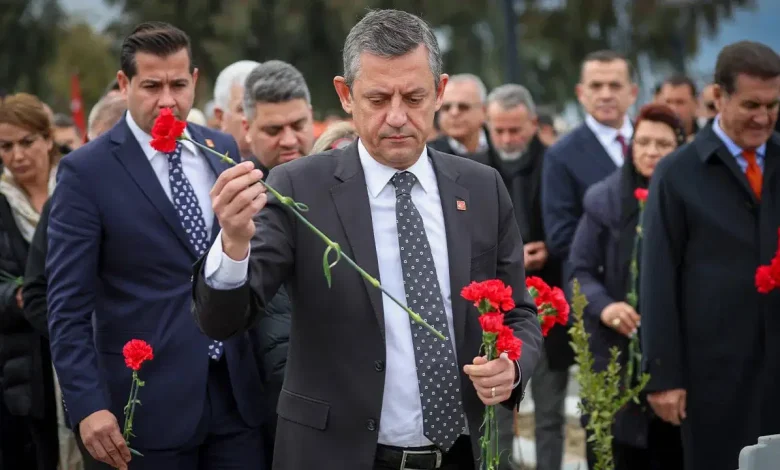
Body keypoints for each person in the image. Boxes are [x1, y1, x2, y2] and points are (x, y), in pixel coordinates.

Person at [191, 9, 543, 469]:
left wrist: (511, 367)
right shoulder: (299, 187)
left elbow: (518, 312)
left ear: (439, 91)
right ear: (346, 95)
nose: (396, 117)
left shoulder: (481, 188)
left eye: (414, 97)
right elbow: (224, 319)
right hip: (337, 455)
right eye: (377, 99)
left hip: (461, 454)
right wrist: (234, 244)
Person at [46, 22, 266, 470]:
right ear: (124, 84)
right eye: (152, 86)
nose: (167, 100)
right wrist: (86, 404)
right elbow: (67, 306)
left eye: (178, 85)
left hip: (235, 397)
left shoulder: (221, 148)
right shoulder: (86, 173)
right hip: (146, 407)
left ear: (195, 81)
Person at [640, 41, 780, 470]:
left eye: (773, 105)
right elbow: (657, 277)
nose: (763, 118)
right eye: (751, 105)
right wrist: (663, 376)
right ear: (718, 96)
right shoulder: (677, 173)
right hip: (714, 375)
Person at [569, 103, 686, 470]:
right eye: (644, 143)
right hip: (615, 356)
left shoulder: (692, 200)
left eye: (663, 145)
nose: (651, 152)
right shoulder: (604, 199)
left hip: (677, 357)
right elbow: (579, 271)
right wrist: (605, 306)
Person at [484, 83, 570, 470]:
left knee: (550, 413)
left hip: (550, 300)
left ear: (534, 124)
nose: (506, 139)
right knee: (500, 416)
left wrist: (549, 248)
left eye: (515, 130)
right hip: (497, 309)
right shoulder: (475, 168)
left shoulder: (557, 163)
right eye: (498, 130)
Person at [0, 93, 66, 469]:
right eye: (6, 147)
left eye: (27, 142)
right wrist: (16, 296)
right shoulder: (2, 203)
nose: (17, 156)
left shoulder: (76, 186)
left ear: (48, 138)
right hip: (25, 364)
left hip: (84, 339)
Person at [542, 50, 637, 299]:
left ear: (633, 93)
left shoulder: (655, 141)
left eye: (615, 85)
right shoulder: (561, 155)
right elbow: (560, 236)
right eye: (596, 86)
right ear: (581, 93)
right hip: (596, 292)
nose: (605, 94)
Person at [212, 60, 261, 161]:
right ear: (220, 117)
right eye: (244, 109)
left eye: (263, 108)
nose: (258, 117)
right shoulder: (205, 164)